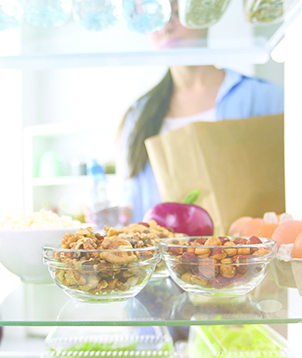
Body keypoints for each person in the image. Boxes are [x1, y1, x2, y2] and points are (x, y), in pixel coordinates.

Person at [116, 2, 285, 224]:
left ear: (204, 14)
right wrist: (122, 214)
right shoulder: (138, 115)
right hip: (166, 255)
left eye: (176, 13)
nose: (166, 27)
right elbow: (134, 202)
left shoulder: (264, 97)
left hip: (243, 253)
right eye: (156, 16)